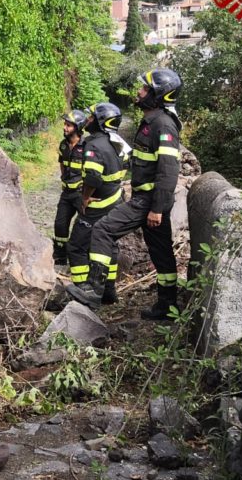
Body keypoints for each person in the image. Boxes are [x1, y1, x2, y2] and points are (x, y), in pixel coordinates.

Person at [67, 69, 183, 320]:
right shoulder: (151, 121)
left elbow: (168, 170)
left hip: (149, 201)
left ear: (158, 94)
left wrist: (157, 208)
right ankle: (168, 307)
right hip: (146, 199)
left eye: (144, 89)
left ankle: (94, 291)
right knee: (161, 252)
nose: (139, 92)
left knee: (103, 230)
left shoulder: (163, 125)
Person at [65, 102, 130, 304]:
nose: (88, 121)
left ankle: (84, 291)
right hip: (116, 200)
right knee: (109, 246)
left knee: (76, 246)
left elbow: (92, 178)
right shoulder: (118, 142)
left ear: (101, 122)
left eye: (92, 118)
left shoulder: (94, 144)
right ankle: (109, 292)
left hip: (97, 204)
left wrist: (84, 197)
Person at [52, 109, 88, 269]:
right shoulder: (63, 144)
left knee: (83, 226)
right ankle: (60, 258)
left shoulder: (87, 146)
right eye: (65, 124)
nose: (65, 128)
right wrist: (64, 179)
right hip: (66, 194)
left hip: (81, 194)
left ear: (78, 127)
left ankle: (83, 258)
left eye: (69, 125)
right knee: (60, 224)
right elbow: (62, 164)